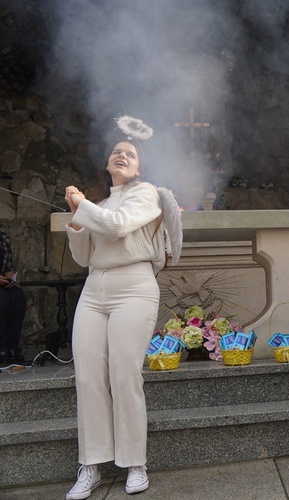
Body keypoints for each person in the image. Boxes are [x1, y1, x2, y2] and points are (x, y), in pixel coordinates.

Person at [63, 123, 178, 499]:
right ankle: (91, 465)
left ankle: (135, 464)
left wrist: (83, 207)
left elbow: (117, 228)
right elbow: (83, 256)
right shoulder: (101, 203)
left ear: (139, 168)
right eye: (116, 151)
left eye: (130, 153)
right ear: (108, 163)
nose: (122, 155)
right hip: (95, 289)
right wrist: (75, 218)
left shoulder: (147, 194)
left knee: (124, 374)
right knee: (88, 377)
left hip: (134, 287)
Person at [0, 231, 26, 363]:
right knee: (2, 298)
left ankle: (12, 346)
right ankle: (1, 347)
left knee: (17, 296)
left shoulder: (3, 239)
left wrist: (10, 278)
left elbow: (8, 267)